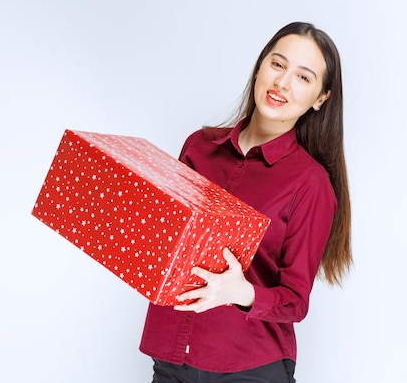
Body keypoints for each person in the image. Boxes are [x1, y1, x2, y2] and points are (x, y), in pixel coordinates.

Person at [139, 21, 352, 382]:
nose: (283, 83)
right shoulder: (199, 147)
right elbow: (170, 244)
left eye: (303, 77)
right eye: (278, 64)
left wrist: (243, 292)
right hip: (172, 357)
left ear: (320, 98)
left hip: (250, 368)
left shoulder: (310, 184)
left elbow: (296, 301)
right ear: (259, 67)